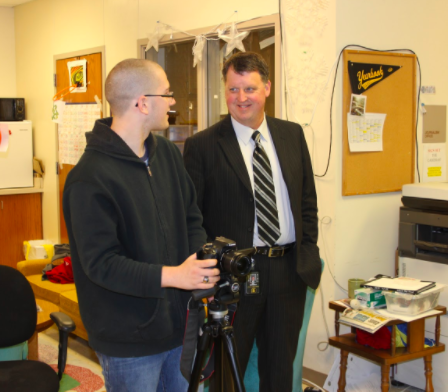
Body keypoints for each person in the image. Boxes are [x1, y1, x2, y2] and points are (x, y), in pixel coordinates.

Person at [63, 58, 220, 392]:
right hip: (128, 339)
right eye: (167, 93)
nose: (173, 101)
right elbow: (101, 264)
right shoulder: (88, 178)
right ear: (142, 102)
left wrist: (198, 262)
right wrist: (175, 275)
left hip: (180, 325)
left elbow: (191, 217)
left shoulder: (166, 154)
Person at [183, 52, 321, 392]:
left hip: (288, 271)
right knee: (228, 372)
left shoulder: (291, 135)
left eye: (249, 88)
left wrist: (307, 250)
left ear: (267, 88)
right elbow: (192, 217)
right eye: (233, 89)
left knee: (279, 369)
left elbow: (306, 202)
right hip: (237, 274)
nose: (241, 98)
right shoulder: (203, 145)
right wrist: (209, 269)